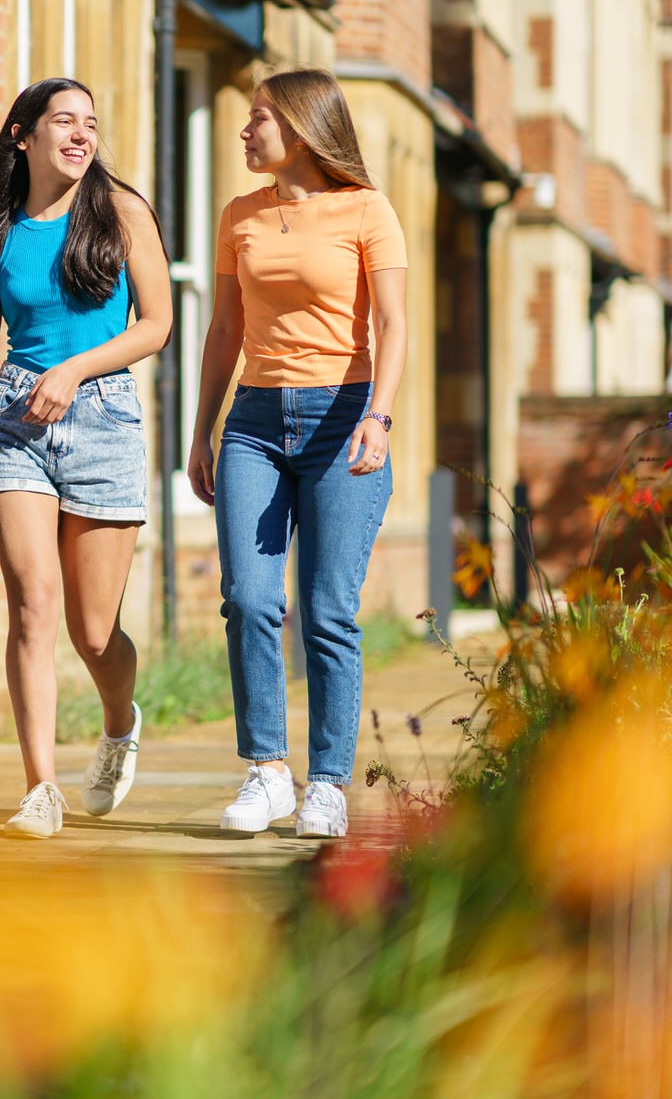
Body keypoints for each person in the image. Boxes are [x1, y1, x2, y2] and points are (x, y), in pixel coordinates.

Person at [0, 78, 172, 839]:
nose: (80, 134)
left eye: (90, 123)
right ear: (21, 135)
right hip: (14, 422)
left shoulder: (120, 211)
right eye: (63, 121)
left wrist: (75, 370)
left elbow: (157, 326)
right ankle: (41, 788)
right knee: (33, 603)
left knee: (94, 632)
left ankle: (118, 719)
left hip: (103, 418)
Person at [186, 67, 407, 840]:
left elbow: (395, 324)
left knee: (327, 610)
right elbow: (223, 332)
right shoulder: (239, 216)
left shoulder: (367, 211)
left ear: (304, 127)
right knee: (249, 596)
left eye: (258, 120)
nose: (244, 132)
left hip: (344, 414)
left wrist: (380, 415)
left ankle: (327, 785)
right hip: (253, 418)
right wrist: (203, 428)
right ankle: (267, 772)